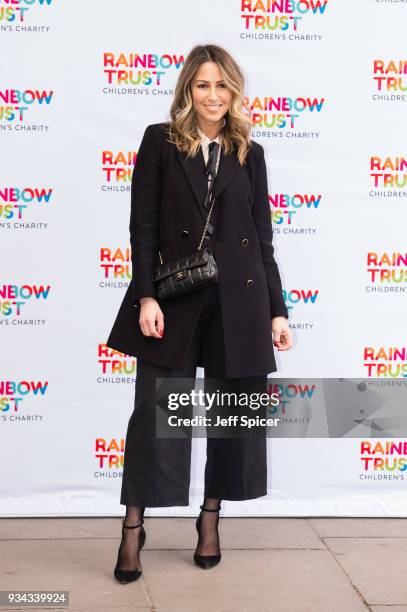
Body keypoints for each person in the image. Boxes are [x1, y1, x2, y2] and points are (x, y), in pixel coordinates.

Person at [106, 43, 292, 584]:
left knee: (231, 418)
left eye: (222, 85)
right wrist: (146, 296)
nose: (213, 95)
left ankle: (210, 518)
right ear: (188, 89)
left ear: (234, 91)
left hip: (241, 301)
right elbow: (142, 228)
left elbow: (262, 239)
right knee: (155, 419)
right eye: (203, 84)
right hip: (176, 299)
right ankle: (132, 529)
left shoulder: (249, 153)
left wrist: (277, 312)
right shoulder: (160, 142)